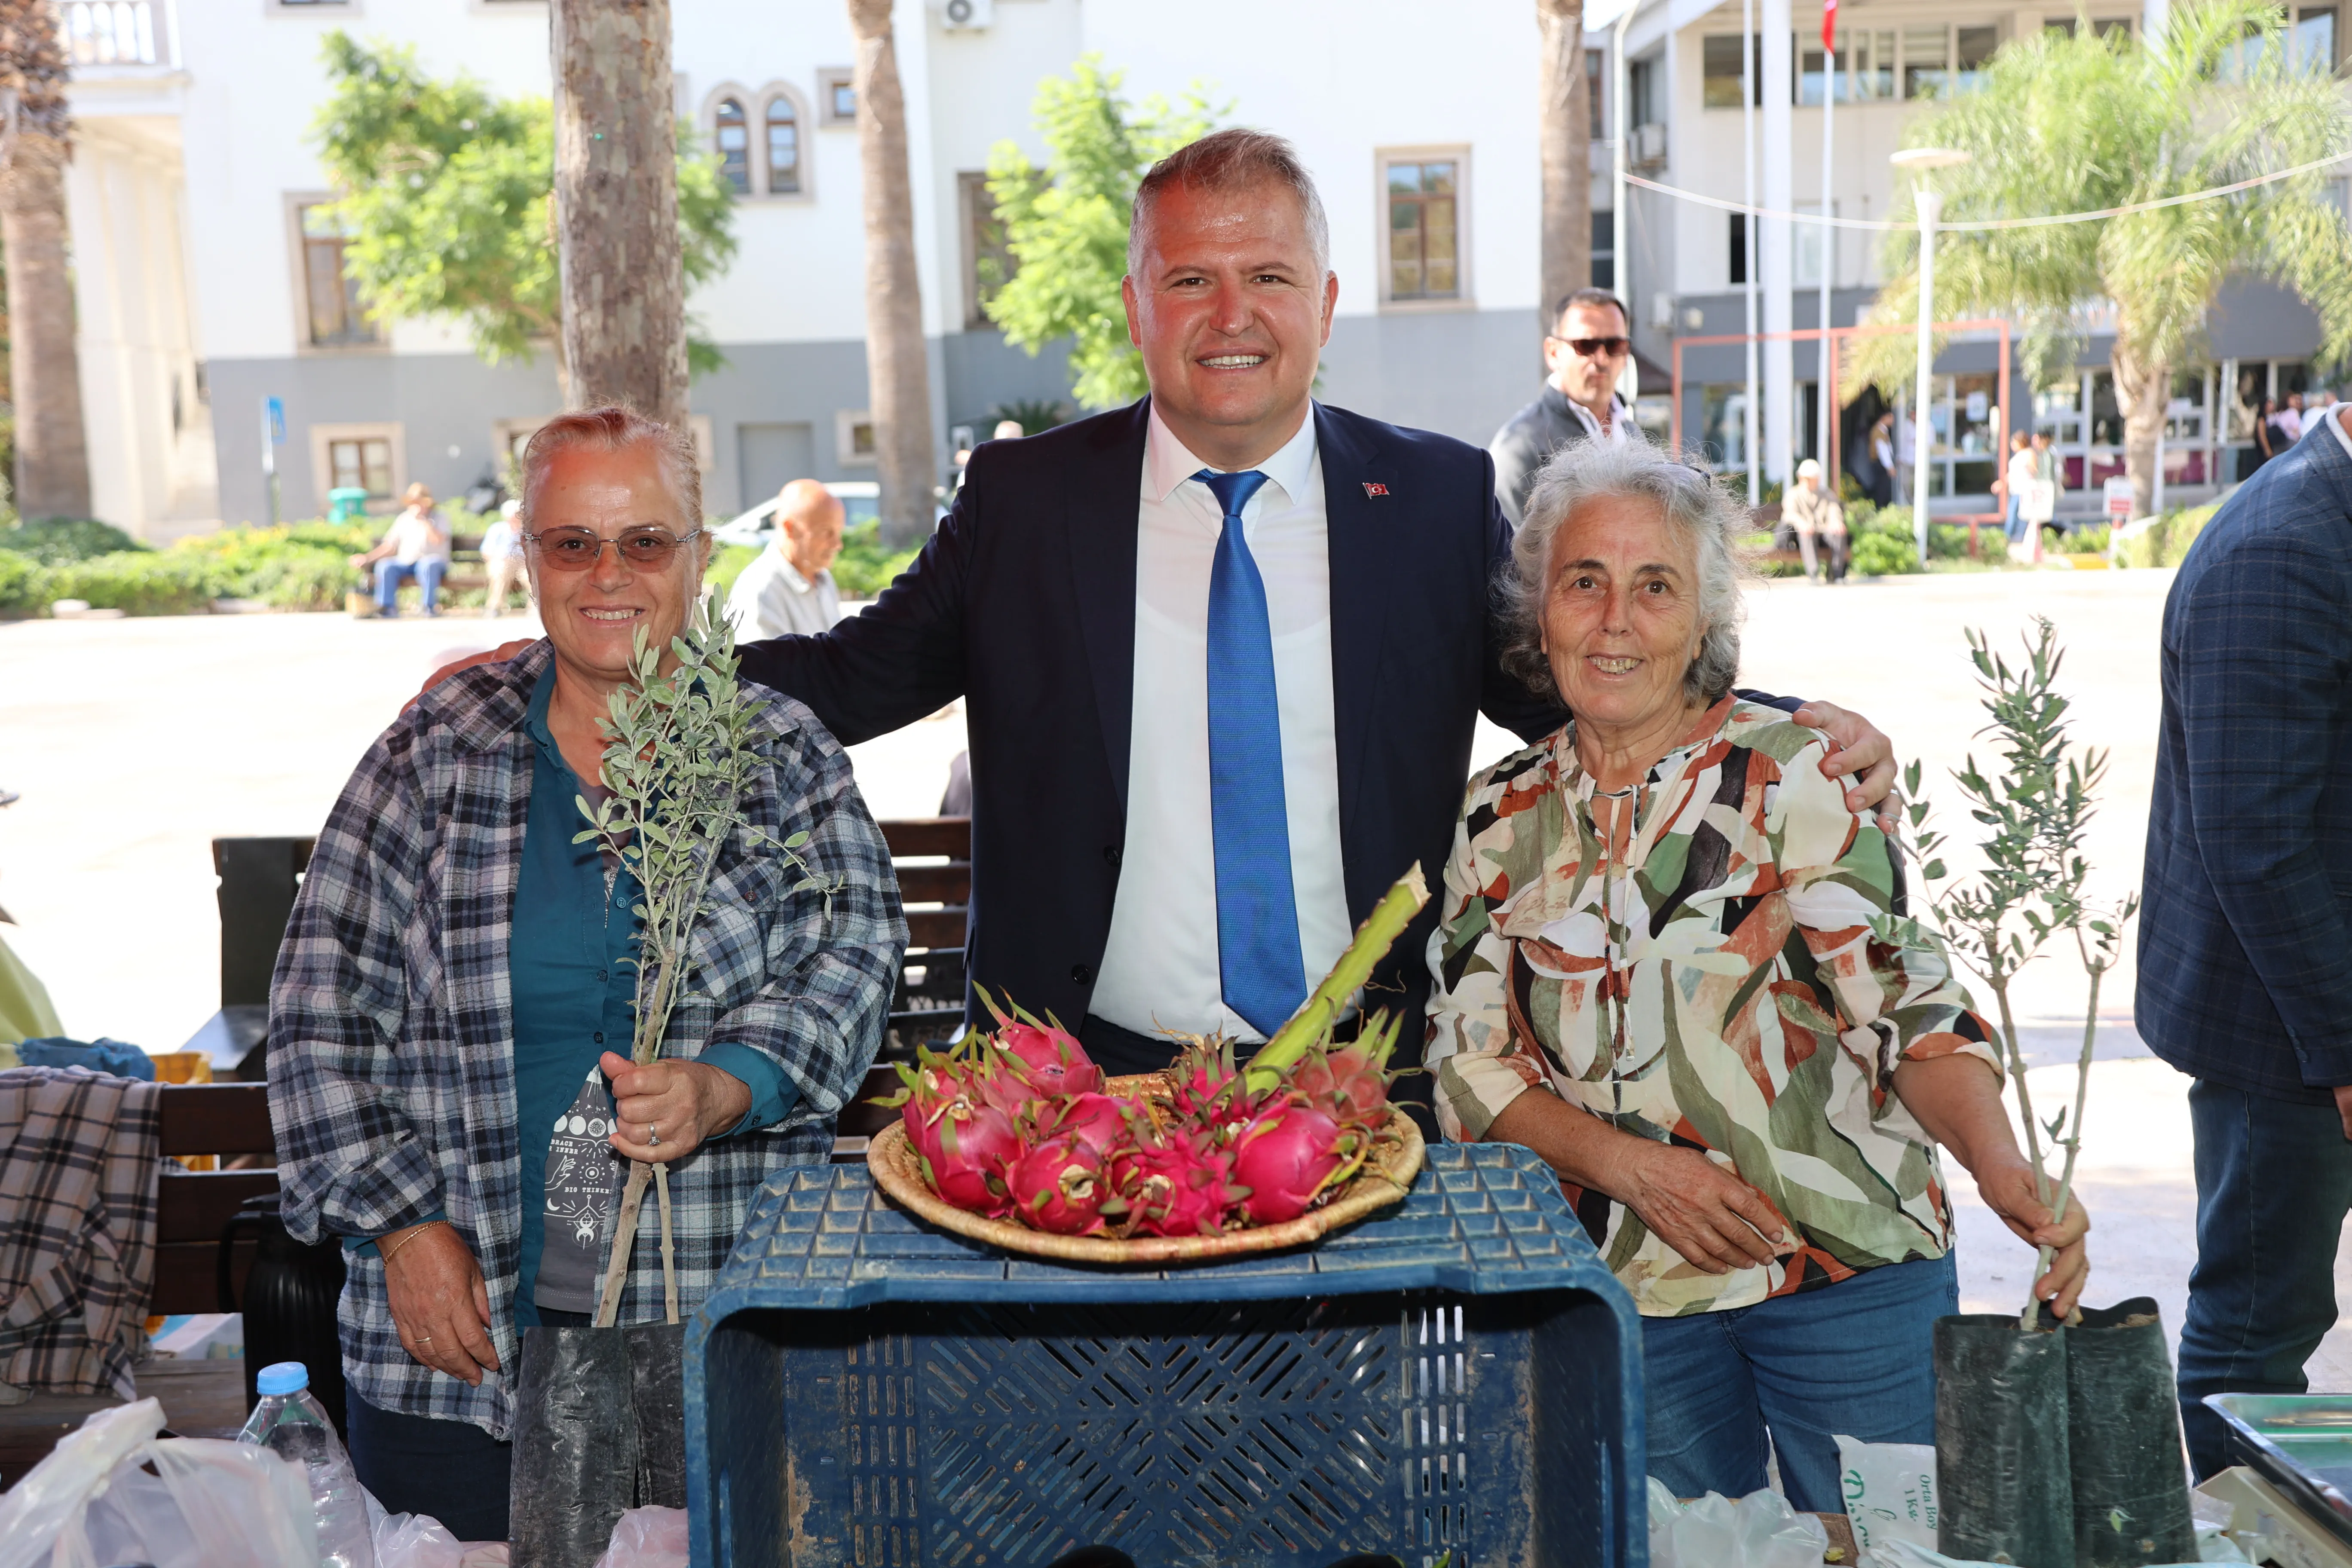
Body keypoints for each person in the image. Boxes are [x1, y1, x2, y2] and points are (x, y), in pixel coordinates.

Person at [428, 129, 1898, 1089]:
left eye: (1265, 274)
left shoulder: (1437, 498)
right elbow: (857, 672)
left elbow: (1592, 684)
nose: (1230, 313)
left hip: (1367, 1069)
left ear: (1324, 302)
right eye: (1189, 277)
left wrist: (1779, 733)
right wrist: (613, 675)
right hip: (1086, 1070)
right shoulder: (1026, 502)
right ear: (1136, 306)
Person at [273, 407, 904, 1540]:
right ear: (529, 556)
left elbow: (855, 958)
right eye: (573, 543)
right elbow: (319, 1009)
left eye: (645, 543)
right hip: (463, 1351)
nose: (609, 575)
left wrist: (730, 1081)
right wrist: (400, 1227)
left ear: (699, 557)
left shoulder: (780, 750)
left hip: (717, 1325)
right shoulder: (438, 748)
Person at [1426, 439, 2091, 1511]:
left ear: (1703, 618)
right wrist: (1629, 1169)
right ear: (1534, 610)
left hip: (1844, 1271)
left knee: (1895, 1544)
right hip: (1621, 1283)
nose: (1613, 621)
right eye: (1581, 582)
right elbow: (1467, 1066)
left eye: (1654, 587)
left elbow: (1900, 999)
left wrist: (1995, 1159)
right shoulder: (1494, 816)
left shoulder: (1792, 771)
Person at [2140, 393, 2352, 1481]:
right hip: (2289, 1036)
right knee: (2251, 1334)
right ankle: (2244, 1540)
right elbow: (2254, 840)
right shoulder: (2280, 551)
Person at [1488, 288, 1639, 527]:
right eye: (1585, 345)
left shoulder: (1631, 432)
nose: (1601, 359)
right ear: (1553, 353)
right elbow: (1506, 552)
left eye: (1614, 345)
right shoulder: (1523, 445)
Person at [724, 478, 845, 640]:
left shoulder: (823, 578)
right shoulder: (761, 589)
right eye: (826, 532)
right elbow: (766, 664)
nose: (837, 544)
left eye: (839, 532)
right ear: (790, 529)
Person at [350, 484, 453, 618]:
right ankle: (387, 607)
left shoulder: (439, 517)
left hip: (432, 561)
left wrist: (425, 521)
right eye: (413, 502)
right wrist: (367, 558)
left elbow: (438, 540)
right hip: (406, 562)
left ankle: (428, 607)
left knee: (428, 565)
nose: (416, 506)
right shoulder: (404, 519)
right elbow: (390, 546)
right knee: (386, 566)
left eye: (420, 502)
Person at [1781, 457, 1848, 582]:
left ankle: (1837, 574)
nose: (1810, 481)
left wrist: (1836, 522)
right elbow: (1789, 514)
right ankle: (1814, 574)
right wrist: (1802, 524)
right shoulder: (1793, 494)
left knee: (1839, 532)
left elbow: (1834, 509)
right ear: (1800, 478)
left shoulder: (1827, 493)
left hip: (1824, 531)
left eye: (1813, 478)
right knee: (1806, 534)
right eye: (1807, 478)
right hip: (1803, 533)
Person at [480, 499, 526, 619]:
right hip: (501, 562)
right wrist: (499, 559)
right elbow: (486, 552)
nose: (516, 518)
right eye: (513, 515)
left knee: (531, 576)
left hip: (522, 563)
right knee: (501, 572)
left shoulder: (526, 531)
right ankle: (495, 607)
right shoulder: (497, 529)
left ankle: (536, 608)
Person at [2001, 430, 2037, 545]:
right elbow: (2012, 473)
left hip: (2024, 490)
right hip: (2015, 490)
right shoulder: (2017, 456)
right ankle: (2008, 539)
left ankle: (2018, 539)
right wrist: (2001, 483)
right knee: (2012, 515)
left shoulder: (2029, 453)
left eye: (2014, 442)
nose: (2012, 444)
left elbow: (2034, 470)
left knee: (2022, 516)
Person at [1869, 412, 1899, 506]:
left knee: (1883, 486)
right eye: (1891, 418)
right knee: (1883, 487)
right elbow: (1883, 451)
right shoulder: (1879, 432)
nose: (1893, 421)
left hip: (1881, 463)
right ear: (1885, 418)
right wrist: (1890, 467)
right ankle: (1881, 507)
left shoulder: (1883, 431)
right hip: (1880, 463)